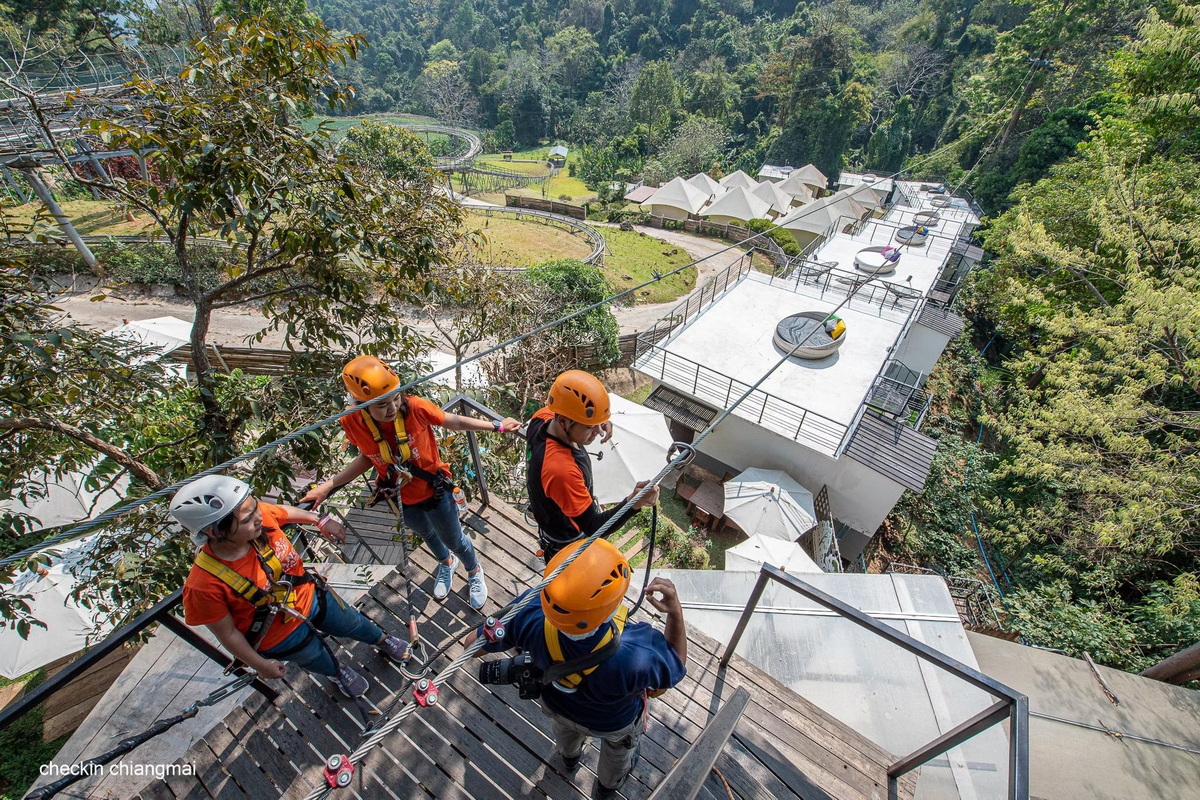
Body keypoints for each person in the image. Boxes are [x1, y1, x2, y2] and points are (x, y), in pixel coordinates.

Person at [470, 539, 687, 799]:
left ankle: (570, 760)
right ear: (612, 610)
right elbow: (676, 664)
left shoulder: (529, 614)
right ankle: (606, 788)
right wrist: (675, 612)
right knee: (617, 754)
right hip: (613, 723)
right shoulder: (639, 652)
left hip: (558, 706)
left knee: (566, 737)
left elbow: (472, 644)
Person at [302, 355, 521, 610]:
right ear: (361, 405)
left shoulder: (415, 408)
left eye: (396, 398)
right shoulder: (352, 423)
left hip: (434, 491)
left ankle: (473, 570)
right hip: (399, 495)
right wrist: (328, 485)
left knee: (454, 539)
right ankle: (446, 563)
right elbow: (367, 457)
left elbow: (453, 421)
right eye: (382, 404)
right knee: (427, 534)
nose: (393, 407)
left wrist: (497, 426)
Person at [171, 474, 409, 698]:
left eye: (255, 506)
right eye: (246, 519)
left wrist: (321, 519)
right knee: (315, 656)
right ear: (214, 532)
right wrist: (260, 665)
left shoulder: (260, 517)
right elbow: (228, 634)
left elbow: (281, 512)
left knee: (353, 622)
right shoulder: (204, 586)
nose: (257, 517)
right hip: (278, 634)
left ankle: (381, 640)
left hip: (311, 597)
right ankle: (336, 672)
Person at [526, 370, 659, 562]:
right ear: (563, 421)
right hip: (567, 546)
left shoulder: (542, 418)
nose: (598, 431)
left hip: (552, 524)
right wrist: (634, 502)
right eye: (590, 427)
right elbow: (594, 527)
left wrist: (598, 421)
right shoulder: (562, 470)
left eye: (598, 424)